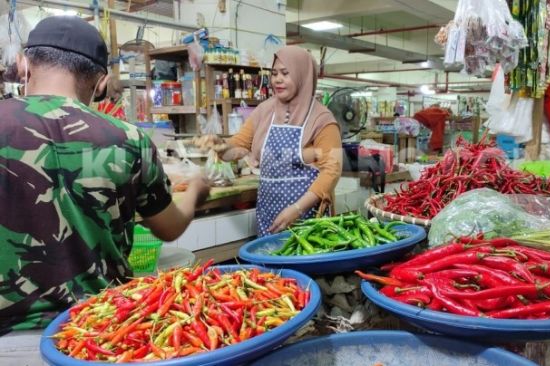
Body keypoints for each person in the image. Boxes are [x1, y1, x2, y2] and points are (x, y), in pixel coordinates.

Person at [0, 16, 210, 363]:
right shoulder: (127, 139)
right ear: (101, 82)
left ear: (24, 64)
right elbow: (169, 227)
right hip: (97, 336)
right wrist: (196, 191)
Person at [197, 46, 342, 236]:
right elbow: (240, 145)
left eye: (285, 73)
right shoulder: (265, 111)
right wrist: (221, 147)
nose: (277, 80)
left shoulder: (322, 118)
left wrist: (298, 209)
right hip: (269, 215)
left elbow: (332, 170)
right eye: (274, 74)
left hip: (308, 218)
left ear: (302, 76)